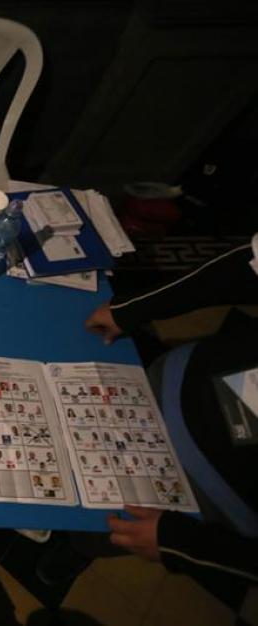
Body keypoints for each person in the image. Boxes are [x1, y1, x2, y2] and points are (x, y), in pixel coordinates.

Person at [84, 235, 258, 611]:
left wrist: (186, 548)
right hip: (173, 378)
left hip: (208, 493)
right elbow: (246, 266)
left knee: (100, 524)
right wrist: (130, 309)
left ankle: (75, 552)